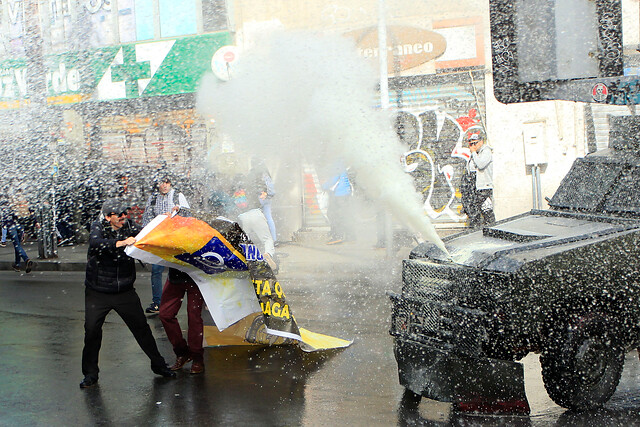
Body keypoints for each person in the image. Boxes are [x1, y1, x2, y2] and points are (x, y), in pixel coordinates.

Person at [80, 198, 175, 388]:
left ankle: (159, 365)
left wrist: (163, 220)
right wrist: (122, 242)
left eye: (126, 213)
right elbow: (96, 244)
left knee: (142, 328)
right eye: (120, 214)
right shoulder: (98, 226)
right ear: (108, 217)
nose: (124, 217)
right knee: (91, 332)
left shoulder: (129, 225)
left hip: (124, 291)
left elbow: (148, 231)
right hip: (98, 291)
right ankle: (90, 374)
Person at [141, 176, 190, 314]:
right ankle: (157, 302)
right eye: (162, 182)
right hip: (160, 239)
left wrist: (178, 209)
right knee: (156, 270)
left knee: (181, 271)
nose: (165, 185)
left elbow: (189, 215)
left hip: (176, 239)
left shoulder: (177, 195)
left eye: (167, 182)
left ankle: (186, 302)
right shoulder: (153, 198)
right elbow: (147, 218)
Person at [159, 268, 206, 374]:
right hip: (178, 275)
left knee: (194, 318)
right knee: (165, 314)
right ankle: (183, 352)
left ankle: (196, 357)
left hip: (195, 277)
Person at [460, 131, 496, 228]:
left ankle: (492, 229)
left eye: (475, 143)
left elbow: (481, 164)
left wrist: (473, 153)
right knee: (474, 212)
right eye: (471, 144)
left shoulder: (486, 152)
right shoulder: (476, 154)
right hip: (475, 188)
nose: (473, 146)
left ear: (481, 142)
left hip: (484, 188)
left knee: (487, 212)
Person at [322, 166, 355, 245]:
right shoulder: (339, 160)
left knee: (333, 214)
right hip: (344, 192)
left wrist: (324, 186)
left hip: (339, 193)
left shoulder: (335, 161)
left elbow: (334, 177)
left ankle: (337, 236)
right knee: (344, 214)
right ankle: (351, 236)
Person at [1, 196, 34, 273]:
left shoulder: (6, 201)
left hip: (11, 225)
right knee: (18, 244)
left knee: (17, 245)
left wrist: (4, 225)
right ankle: (17, 265)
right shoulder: (20, 200)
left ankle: (26, 259)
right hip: (20, 225)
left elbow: (4, 215)